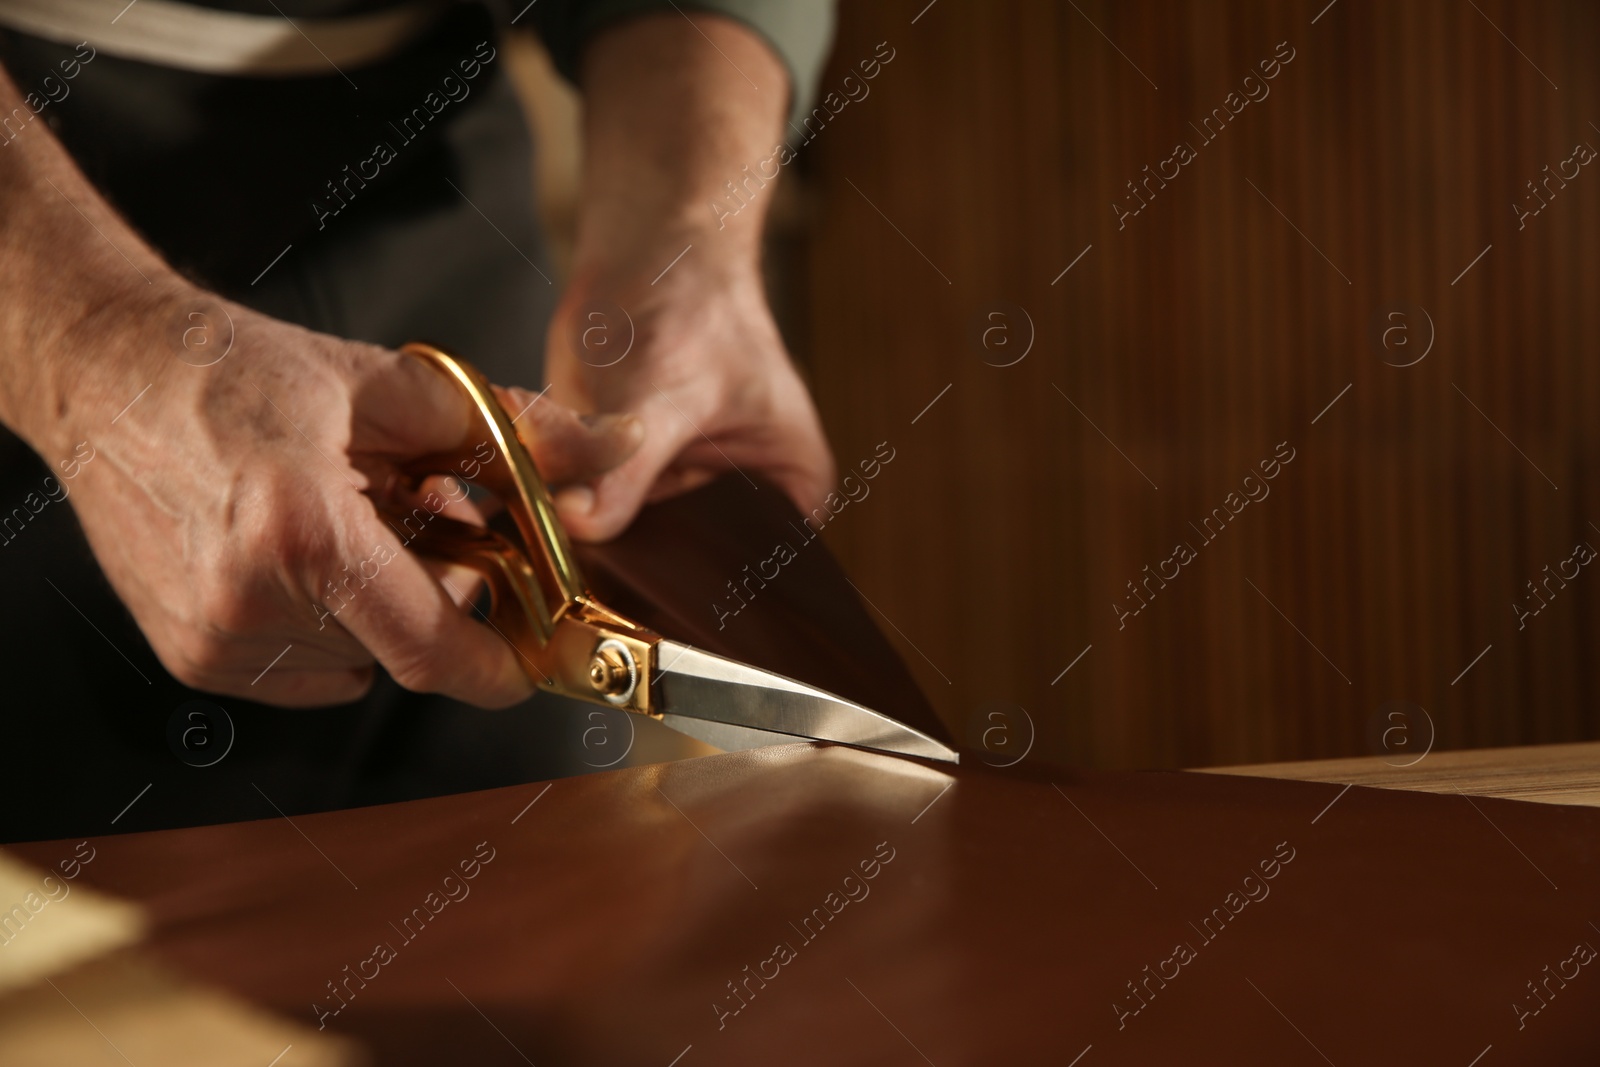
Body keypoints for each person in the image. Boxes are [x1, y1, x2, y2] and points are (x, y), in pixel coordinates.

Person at [0, 0, 836, 839]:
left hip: (436, 165)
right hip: (37, 205)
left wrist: (687, 245)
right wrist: (83, 344)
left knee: (530, 874)